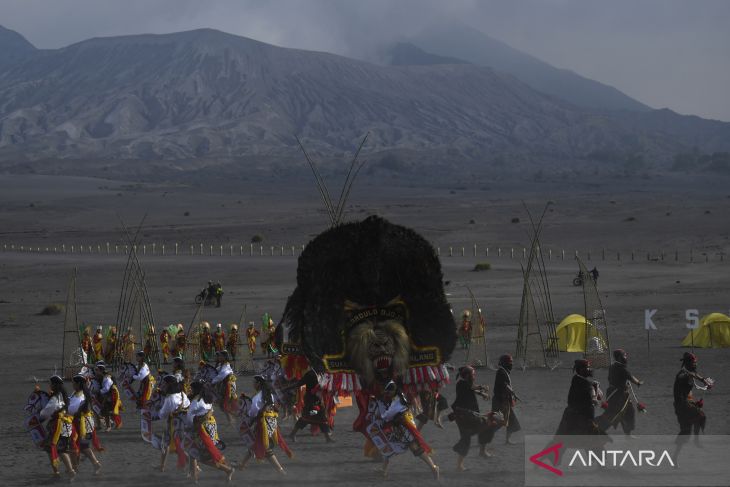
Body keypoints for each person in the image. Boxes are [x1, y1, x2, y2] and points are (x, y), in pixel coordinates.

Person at [370, 381, 439, 479]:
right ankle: (383, 470)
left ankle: (433, 467)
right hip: (400, 425)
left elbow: (387, 416)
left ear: (393, 391)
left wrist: (379, 415)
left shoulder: (397, 401)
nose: (386, 394)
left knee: (415, 448)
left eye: (388, 392)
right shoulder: (398, 396)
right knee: (389, 445)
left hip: (404, 426)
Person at [238, 375, 291, 474]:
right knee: (255, 443)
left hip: (262, 425)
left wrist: (245, 414)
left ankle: (280, 470)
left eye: (254, 382)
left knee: (265, 448)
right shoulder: (268, 394)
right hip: (271, 423)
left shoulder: (257, 397)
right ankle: (242, 464)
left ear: (258, 383)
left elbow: (252, 413)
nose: (253, 384)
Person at [186, 380, 235, 483]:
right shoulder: (206, 397)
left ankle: (228, 470)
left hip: (202, 429)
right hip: (210, 425)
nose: (190, 390)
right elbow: (211, 410)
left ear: (195, 390)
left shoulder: (195, 402)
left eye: (191, 388)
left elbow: (189, 418)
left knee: (205, 457)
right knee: (192, 451)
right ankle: (194, 478)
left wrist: (190, 429)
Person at [450, 366, 499, 470]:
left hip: (468, 416)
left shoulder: (465, 383)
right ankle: (459, 465)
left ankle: (482, 451)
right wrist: (482, 387)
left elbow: (472, 388)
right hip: (463, 417)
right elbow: (472, 387)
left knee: (487, 425)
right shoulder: (461, 384)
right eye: (473, 374)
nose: (474, 376)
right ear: (467, 375)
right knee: (467, 438)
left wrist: (482, 393)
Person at [598, 349, 643, 435]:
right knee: (612, 415)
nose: (626, 357)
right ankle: (596, 429)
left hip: (619, 394)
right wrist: (638, 383)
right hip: (618, 396)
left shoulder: (612, 367)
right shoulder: (621, 369)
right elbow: (631, 378)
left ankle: (628, 434)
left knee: (629, 412)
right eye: (624, 356)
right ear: (619, 357)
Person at [555, 359, 606, 436]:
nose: (589, 369)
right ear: (581, 370)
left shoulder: (575, 379)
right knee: (596, 441)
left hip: (569, 416)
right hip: (582, 419)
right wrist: (596, 387)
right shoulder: (587, 385)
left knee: (559, 442)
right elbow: (595, 401)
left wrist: (593, 386)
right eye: (587, 367)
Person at [673, 352, 711, 451]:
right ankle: (695, 441)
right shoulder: (682, 375)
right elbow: (682, 381)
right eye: (694, 363)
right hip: (681, 405)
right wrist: (690, 404)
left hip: (686, 403)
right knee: (689, 428)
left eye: (696, 362)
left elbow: (695, 375)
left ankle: (695, 440)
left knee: (694, 422)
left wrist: (704, 381)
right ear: (688, 363)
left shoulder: (689, 372)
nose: (695, 364)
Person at [40, 375, 75, 480]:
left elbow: (45, 413)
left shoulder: (55, 398)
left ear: (54, 385)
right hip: (66, 425)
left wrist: (39, 413)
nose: (49, 385)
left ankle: (57, 472)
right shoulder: (63, 395)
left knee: (51, 448)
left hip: (57, 427)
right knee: (62, 449)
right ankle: (70, 470)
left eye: (50, 383)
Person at [287, 368, 334, 443]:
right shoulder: (310, 374)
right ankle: (292, 434)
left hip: (317, 400)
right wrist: (288, 388)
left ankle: (327, 438)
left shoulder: (322, 374)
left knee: (321, 417)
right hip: (310, 400)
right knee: (309, 416)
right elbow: (300, 383)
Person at [154, 375, 190, 472]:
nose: (162, 385)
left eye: (164, 383)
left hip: (172, 424)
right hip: (183, 423)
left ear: (169, 385)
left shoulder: (169, 398)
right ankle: (162, 466)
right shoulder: (182, 394)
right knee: (172, 445)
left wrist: (158, 409)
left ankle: (194, 466)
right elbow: (188, 405)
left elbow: (162, 415)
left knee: (170, 444)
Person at [68, 375, 103, 475]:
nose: (72, 384)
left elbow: (72, 409)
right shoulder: (77, 393)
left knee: (83, 446)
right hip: (80, 422)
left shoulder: (81, 395)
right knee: (78, 444)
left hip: (83, 423)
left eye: (73, 383)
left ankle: (95, 464)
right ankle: (75, 466)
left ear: (78, 384)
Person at [484, 354, 521, 445]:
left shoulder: (504, 371)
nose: (511, 364)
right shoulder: (501, 372)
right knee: (499, 422)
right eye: (509, 362)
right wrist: (513, 393)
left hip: (505, 401)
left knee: (512, 421)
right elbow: (506, 385)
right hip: (500, 401)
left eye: (511, 362)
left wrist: (512, 395)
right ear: (504, 363)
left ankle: (507, 440)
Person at [94, 361, 123, 431]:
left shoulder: (107, 378)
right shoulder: (100, 376)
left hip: (111, 395)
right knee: (98, 408)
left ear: (101, 370)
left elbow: (106, 389)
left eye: (97, 370)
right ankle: (101, 425)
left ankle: (110, 425)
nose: (95, 371)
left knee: (108, 409)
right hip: (104, 394)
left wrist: (98, 391)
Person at [211, 350, 238, 420]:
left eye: (220, 356)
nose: (218, 357)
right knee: (222, 404)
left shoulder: (226, 366)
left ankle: (231, 418)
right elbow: (216, 371)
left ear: (224, 357)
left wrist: (211, 381)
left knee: (226, 402)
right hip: (224, 385)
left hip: (229, 386)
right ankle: (230, 417)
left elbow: (221, 376)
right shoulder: (221, 365)